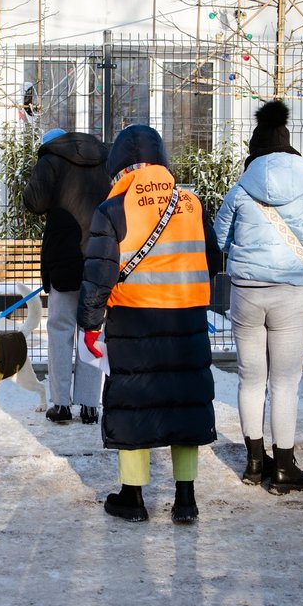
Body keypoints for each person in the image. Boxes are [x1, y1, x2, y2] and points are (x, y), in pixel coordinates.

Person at [78, 124, 222, 524]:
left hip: (134, 320)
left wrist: (90, 325)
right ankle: (186, 499)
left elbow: (98, 274)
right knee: (185, 402)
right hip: (187, 317)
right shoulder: (191, 202)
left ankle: (133, 497)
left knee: (133, 403)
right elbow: (213, 259)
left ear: (118, 164)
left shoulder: (113, 208)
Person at [213, 100, 303, 495]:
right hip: (292, 293)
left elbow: (217, 239)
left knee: (251, 378)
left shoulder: (240, 188)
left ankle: (255, 463)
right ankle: (285, 466)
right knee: (286, 382)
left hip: (246, 293)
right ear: (290, 147)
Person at [23, 128, 110, 425]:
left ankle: (61, 405)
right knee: (92, 330)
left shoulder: (51, 159)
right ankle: (89, 405)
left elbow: (33, 202)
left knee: (60, 331)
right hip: (99, 254)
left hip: (63, 257)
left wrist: (42, 168)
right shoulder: (104, 158)